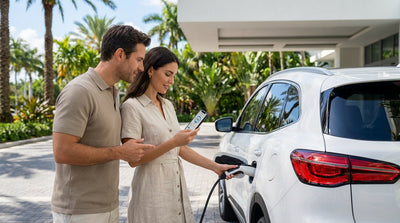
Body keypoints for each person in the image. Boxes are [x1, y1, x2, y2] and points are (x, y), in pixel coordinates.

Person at [51, 25, 198, 223]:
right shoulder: (79, 91)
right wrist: (119, 152)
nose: (141, 67)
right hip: (79, 211)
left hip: (108, 206)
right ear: (120, 54)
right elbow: (62, 152)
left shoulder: (111, 93)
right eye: (139, 60)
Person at [120, 46, 237, 223]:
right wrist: (174, 141)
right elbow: (133, 160)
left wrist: (215, 167)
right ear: (150, 70)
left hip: (175, 191)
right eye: (168, 74)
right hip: (150, 197)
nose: (172, 81)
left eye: (174, 75)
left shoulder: (167, 105)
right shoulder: (132, 107)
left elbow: (179, 149)